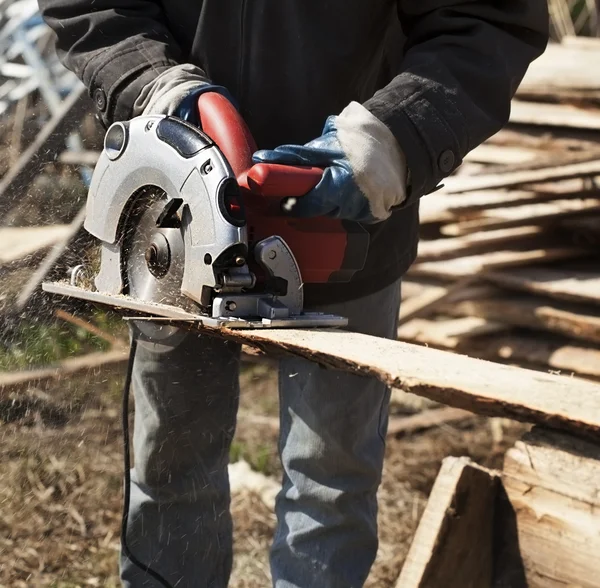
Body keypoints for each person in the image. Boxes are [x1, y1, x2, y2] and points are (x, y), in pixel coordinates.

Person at [38, 1, 549, 586]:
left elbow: (486, 17)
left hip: (345, 214)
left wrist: (392, 137)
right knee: (169, 470)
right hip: (177, 217)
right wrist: (153, 80)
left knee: (328, 484)